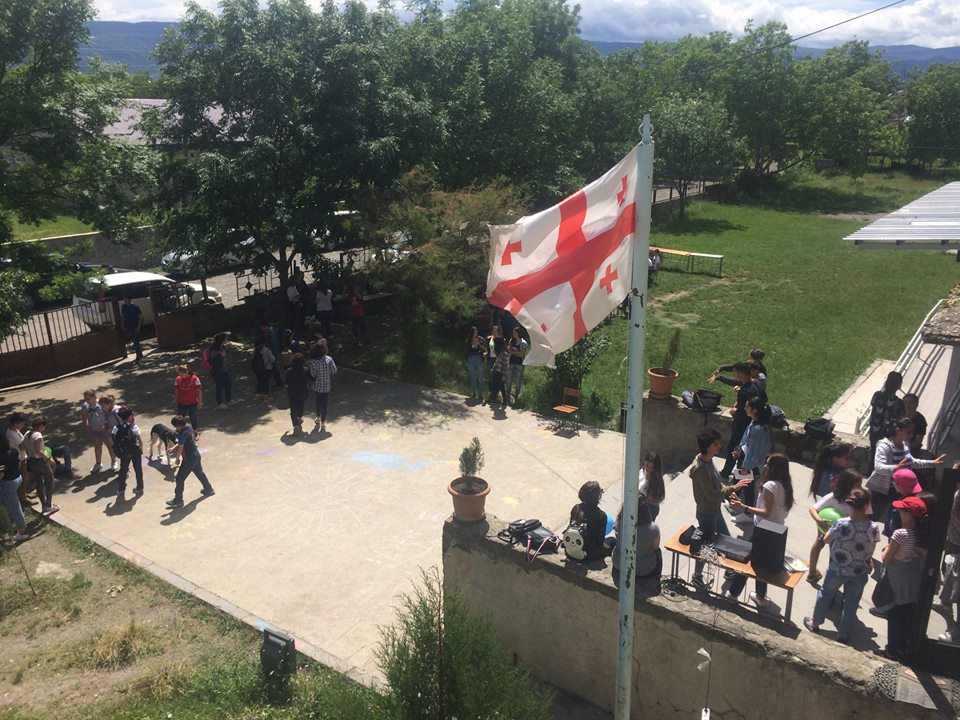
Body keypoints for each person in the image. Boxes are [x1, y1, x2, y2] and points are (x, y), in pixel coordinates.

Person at [803, 488, 879, 642]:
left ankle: (815, 623)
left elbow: (826, 540)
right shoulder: (874, 527)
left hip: (837, 569)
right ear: (867, 506)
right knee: (851, 603)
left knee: (825, 594)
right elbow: (872, 547)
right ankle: (843, 634)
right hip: (859, 571)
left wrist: (824, 534)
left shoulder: (841, 523)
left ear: (850, 505)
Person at [727, 453, 795, 609]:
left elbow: (766, 512)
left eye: (768, 463)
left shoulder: (770, 486)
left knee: (746, 562)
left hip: (764, 531)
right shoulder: (785, 486)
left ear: (774, 468)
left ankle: (732, 593)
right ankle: (760, 597)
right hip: (777, 530)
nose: (764, 466)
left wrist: (743, 507)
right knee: (761, 565)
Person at [689, 427, 750, 589]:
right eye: (716, 444)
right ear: (708, 446)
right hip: (707, 513)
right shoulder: (701, 469)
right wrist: (734, 487)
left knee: (726, 539)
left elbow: (717, 484)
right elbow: (711, 494)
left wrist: (729, 491)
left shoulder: (708, 460)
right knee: (706, 547)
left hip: (714, 510)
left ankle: (729, 570)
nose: (719, 446)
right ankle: (697, 576)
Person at [879, 495, 934, 660]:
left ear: (908, 514)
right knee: (905, 616)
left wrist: (885, 548)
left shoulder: (900, 534)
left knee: (894, 616)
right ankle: (902, 648)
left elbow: (887, 559)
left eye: (902, 510)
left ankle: (891, 651)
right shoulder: (920, 534)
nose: (898, 511)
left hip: (897, 580)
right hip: (911, 580)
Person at [865, 418, 943, 524]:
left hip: (898, 490)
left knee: (895, 519)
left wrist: (931, 463)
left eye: (912, 433)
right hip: (879, 490)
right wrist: (896, 468)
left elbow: (911, 462)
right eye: (908, 432)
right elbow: (879, 467)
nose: (911, 436)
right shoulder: (884, 445)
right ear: (898, 430)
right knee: (870, 517)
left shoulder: (905, 446)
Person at [806, 468, 863, 584]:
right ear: (847, 485)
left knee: (836, 553)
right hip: (826, 526)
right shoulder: (833, 497)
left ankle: (832, 578)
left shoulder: (857, 500)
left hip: (845, 532)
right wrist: (818, 519)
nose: (860, 488)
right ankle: (812, 572)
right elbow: (813, 509)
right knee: (819, 544)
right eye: (857, 485)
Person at [709, 362, 760, 478]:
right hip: (752, 425)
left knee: (734, 451)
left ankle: (728, 475)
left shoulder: (744, 391)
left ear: (741, 374)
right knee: (745, 453)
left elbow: (742, 412)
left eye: (735, 373)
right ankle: (741, 479)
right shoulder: (756, 384)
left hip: (741, 426)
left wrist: (734, 412)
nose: (734, 375)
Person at [611, 493, 661, 597]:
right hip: (643, 570)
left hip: (619, 564)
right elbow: (655, 547)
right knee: (658, 552)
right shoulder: (653, 529)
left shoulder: (619, 521)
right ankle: (656, 579)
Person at [730, 396, 771, 511]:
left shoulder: (758, 429)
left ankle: (747, 511)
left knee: (746, 485)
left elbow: (753, 450)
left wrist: (746, 466)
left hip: (750, 463)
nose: (745, 408)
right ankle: (734, 503)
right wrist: (739, 450)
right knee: (738, 481)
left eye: (747, 407)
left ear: (754, 410)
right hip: (746, 458)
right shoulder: (754, 423)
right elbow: (746, 439)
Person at [166, 415, 214, 508]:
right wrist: (173, 447)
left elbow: (180, 448)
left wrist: (177, 459)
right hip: (196, 455)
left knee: (179, 479)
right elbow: (182, 442)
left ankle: (178, 500)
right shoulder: (189, 429)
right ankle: (209, 489)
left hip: (188, 459)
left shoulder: (182, 434)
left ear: (178, 426)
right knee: (199, 473)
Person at [868, 372, 905, 471]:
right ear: (899, 384)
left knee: (874, 454)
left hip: (874, 430)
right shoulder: (899, 403)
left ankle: (870, 472)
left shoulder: (877, 395)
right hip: (887, 435)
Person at [24, 416, 58, 515]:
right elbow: (38, 450)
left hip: (31, 460)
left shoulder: (27, 433)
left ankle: (44, 504)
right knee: (49, 481)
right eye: (44, 427)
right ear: (41, 426)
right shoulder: (38, 435)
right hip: (40, 461)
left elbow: (25, 447)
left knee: (39, 482)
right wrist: (48, 459)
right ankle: (48, 504)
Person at [569, 481, 609, 562]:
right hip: (588, 555)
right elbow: (600, 540)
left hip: (571, 549)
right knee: (612, 541)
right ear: (598, 497)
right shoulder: (601, 515)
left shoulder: (576, 508)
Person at [0, 432, 29, 542]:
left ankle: (22, 531)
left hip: (8, 483)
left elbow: (1, 474)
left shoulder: (1, 457)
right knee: (11, 504)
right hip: (17, 478)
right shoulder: (13, 451)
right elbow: (18, 464)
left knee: (15, 508)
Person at [307, 339, 337, 432]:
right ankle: (323, 422)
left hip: (318, 386)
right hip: (327, 386)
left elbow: (313, 375)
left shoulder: (313, 362)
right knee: (325, 404)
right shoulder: (329, 359)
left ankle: (318, 417)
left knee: (318, 402)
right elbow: (334, 371)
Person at [112, 407, 143, 497]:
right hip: (135, 451)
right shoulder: (134, 427)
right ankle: (140, 488)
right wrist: (140, 449)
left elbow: (114, 440)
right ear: (129, 417)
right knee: (138, 469)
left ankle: (121, 490)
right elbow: (140, 441)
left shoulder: (116, 428)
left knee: (123, 470)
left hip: (124, 452)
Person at [7, 412, 30, 507]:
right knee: (23, 479)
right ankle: (23, 499)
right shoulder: (13, 434)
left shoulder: (14, 431)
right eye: (22, 424)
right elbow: (22, 446)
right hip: (20, 459)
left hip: (21, 457)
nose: (23, 425)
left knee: (25, 478)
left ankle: (24, 494)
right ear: (16, 423)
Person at [286, 353, 311, 436]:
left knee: (293, 410)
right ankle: (299, 417)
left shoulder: (289, 371)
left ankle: (295, 426)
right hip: (303, 392)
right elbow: (310, 379)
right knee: (301, 406)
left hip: (292, 392)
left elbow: (286, 382)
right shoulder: (306, 370)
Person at [209, 332, 235, 409]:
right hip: (217, 371)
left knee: (228, 384)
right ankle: (220, 403)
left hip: (224, 369)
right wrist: (221, 356)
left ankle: (229, 400)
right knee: (220, 387)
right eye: (225, 339)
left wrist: (226, 350)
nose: (226, 340)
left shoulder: (222, 347)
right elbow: (213, 362)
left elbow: (227, 353)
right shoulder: (214, 349)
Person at [256, 318, 284, 388]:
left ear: (266, 326)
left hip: (272, 353)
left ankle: (277, 383)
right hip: (272, 353)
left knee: (271, 368)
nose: (262, 329)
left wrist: (272, 355)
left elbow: (274, 344)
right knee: (274, 369)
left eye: (262, 327)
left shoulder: (271, 333)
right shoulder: (271, 331)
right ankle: (279, 382)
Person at [638, 451, 666, 522]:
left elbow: (655, 501)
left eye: (652, 467)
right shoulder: (641, 472)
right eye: (646, 465)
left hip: (649, 509)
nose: (648, 469)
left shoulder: (656, 481)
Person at [173, 365, 203, 432]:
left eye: (182, 374)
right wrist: (176, 401)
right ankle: (180, 431)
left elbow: (199, 391)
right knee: (180, 418)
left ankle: (195, 431)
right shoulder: (178, 379)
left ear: (187, 372)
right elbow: (176, 391)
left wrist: (200, 402)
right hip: (181, 402)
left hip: (192, 402)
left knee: (193, 417)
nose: (180, 376)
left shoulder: (195, 378)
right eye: (179, 374)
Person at [505, 327, 528, 405]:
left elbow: (521, 355)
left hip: (519, 364)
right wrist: (517, 352)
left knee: (518, 382)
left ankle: (516, 397)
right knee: (509, 381)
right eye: (513, 332)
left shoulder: (523, 343)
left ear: (519, 333)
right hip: (511, 363)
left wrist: (513, 352)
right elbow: (509, 351)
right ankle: (507, 398)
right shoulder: (511, 341)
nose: (513, 334)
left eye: (515, 332)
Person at [486, 336, 510, 408]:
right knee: (494, 385)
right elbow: (497, 362)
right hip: (496, 370)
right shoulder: (499, 351)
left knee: (502, 386)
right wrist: (493, 368)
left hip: (501, 372)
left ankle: (505, 401)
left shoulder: (505, 352)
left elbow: (505, 365)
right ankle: (493, 398)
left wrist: (504, 375)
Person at [99, 395, 120, 471]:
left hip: (120, 435)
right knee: (113, 448)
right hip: (113, 434)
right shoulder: (106, 411)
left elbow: (122, 425)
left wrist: (110, 429)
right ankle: (114, 462)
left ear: (109, 404)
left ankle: (126, 468)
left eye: (103, 406)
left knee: (122, 451)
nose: (102, 408)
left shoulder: (117, 412)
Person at [465, 326, 486, 401]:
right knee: (472, 377)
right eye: (474, 332)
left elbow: (485, 349)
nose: (475, 334)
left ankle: (480, 394)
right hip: (471, 359)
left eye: (476, 332)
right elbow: (466, 351)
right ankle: (473, 393)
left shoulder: (480, 339)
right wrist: (471, 343)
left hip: (479, 358)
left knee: (480, 378)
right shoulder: (468, 340)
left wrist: (478, 344)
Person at [120, 296, 143, 363]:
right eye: (124, 300)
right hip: (128, 326)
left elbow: (140, 317)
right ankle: (140, 354)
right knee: (134, 340)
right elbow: (123, 316)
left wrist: (138, 327)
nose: (125, 301)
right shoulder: (123, 307)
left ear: (130, 300)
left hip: (135, 326)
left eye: (126, 300)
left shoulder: (135, 307)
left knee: (136, 342)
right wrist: (122, 325)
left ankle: (138, 357)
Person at [251, 338, 275, 403]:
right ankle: (266, 397)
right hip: (267, 369)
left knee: (260, 382)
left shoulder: (254, 351)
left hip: (257, 369)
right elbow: (272, 360)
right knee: (266, 383)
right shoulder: (267, 350)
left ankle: (260, 396)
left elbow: (252, 359)